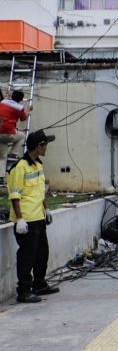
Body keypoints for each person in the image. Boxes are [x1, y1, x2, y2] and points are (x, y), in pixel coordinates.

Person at [8, 130, 59, 304]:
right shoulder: (19, 167)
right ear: (39, 146)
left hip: (38, 216)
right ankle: (24, 291)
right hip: (26, 219)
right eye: (45, 145)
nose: (47, 148)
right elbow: (15, 195)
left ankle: (39, 284)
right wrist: (20, 219)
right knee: (27, 256)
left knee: (42, 252)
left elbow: (40, 192)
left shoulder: (38, 165)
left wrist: (47, 209)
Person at [0, 90, 30, 178]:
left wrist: (8, 95)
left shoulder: (2, 102)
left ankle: (0, 178)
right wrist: (28, 109)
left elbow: (6, 100)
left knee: (2, 157)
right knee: (22, 136)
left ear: (11, 96)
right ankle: (13, 153)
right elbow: (24, 118)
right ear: (21, 100)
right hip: (8, 133)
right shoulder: (19, 108)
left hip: (0, 134)